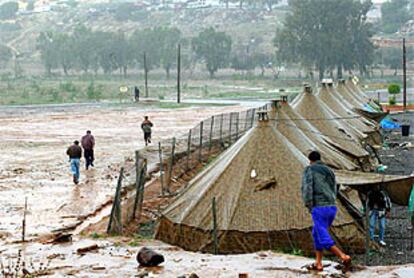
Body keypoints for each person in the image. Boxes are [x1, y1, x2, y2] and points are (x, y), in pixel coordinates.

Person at [301, 151, 352, 272]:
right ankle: (318, 263)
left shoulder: (310, 170)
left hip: (319, 207)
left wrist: (309, 204)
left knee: (323, 235)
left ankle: (343, 256)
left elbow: (307, 188)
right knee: (316, 232)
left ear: (310, 160)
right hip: (331, 207)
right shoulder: (329, 170)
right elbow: (335, 187)